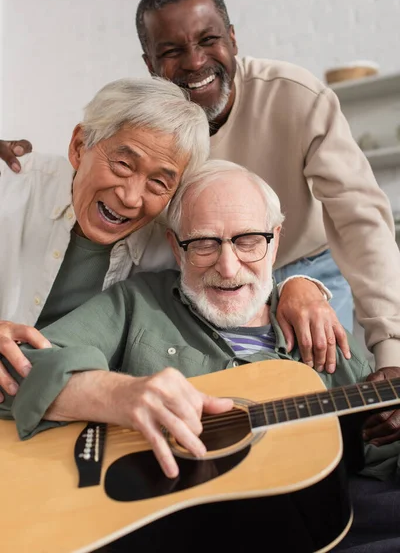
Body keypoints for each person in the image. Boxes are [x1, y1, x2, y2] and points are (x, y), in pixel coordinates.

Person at [0, 159, 398, 552]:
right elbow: (16, 367)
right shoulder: (138, 302)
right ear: (175, 247)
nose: (227, 267)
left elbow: (383, 458)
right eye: (204, 243)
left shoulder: (321, 334)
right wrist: (113, 393)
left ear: (274, 240)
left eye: (247, 241)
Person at [0, 77, 348, 402]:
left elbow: (234, 268)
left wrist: (295, 285)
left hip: (63, 409)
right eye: (122, 164)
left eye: (159, 182)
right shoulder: (10, 187)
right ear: (79, 146)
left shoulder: (170, 244)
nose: (132, 197)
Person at [133, 0, 400, 373]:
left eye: (209, 40)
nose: (194, 62)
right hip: (211, 274)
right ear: (150, 64)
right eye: (172, 50)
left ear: (233, 39)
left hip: (309, 264)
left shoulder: (296, 96)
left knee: (323, 379)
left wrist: (392, 350)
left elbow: (361, 221)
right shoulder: (144, 128)